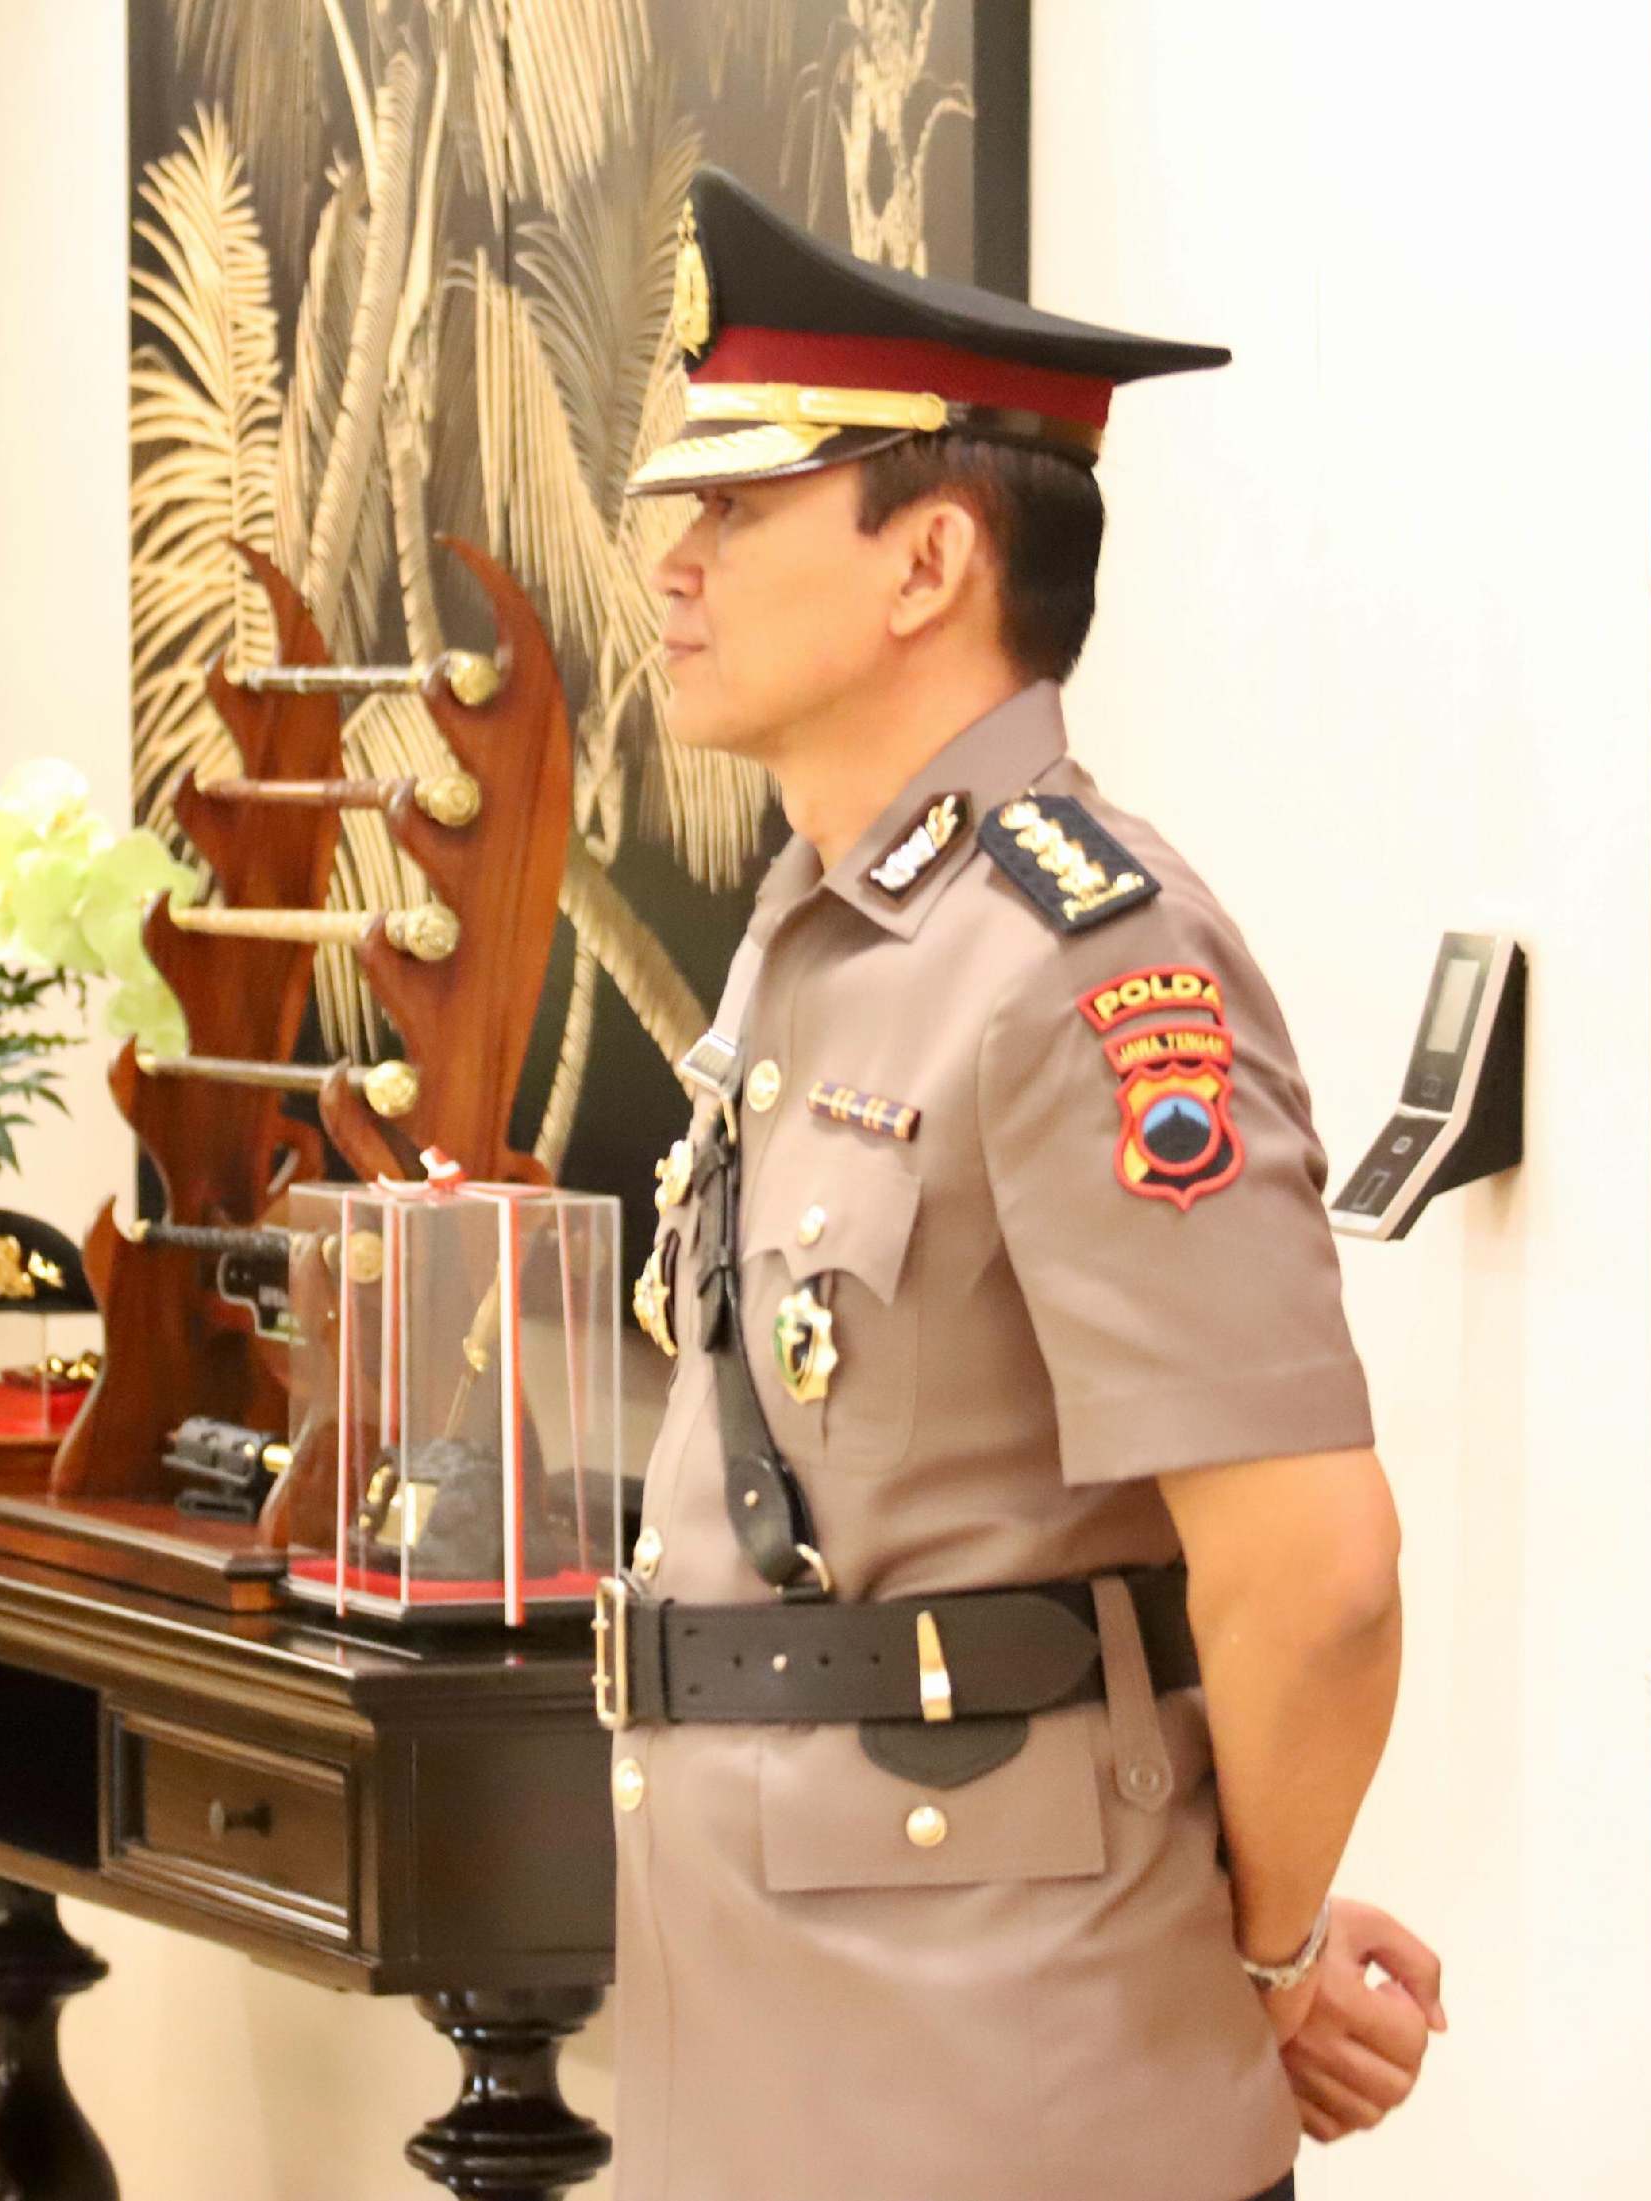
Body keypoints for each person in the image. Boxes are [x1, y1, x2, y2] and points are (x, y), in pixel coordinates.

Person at [598, 170, 1450, 2199]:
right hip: (774, 2042)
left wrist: (1257, 1947)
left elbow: (1313, 1573)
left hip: (998, 2089)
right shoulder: (818, 932)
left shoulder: (1085, 955)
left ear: (930, 561)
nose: (673, 563)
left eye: (740, 509)